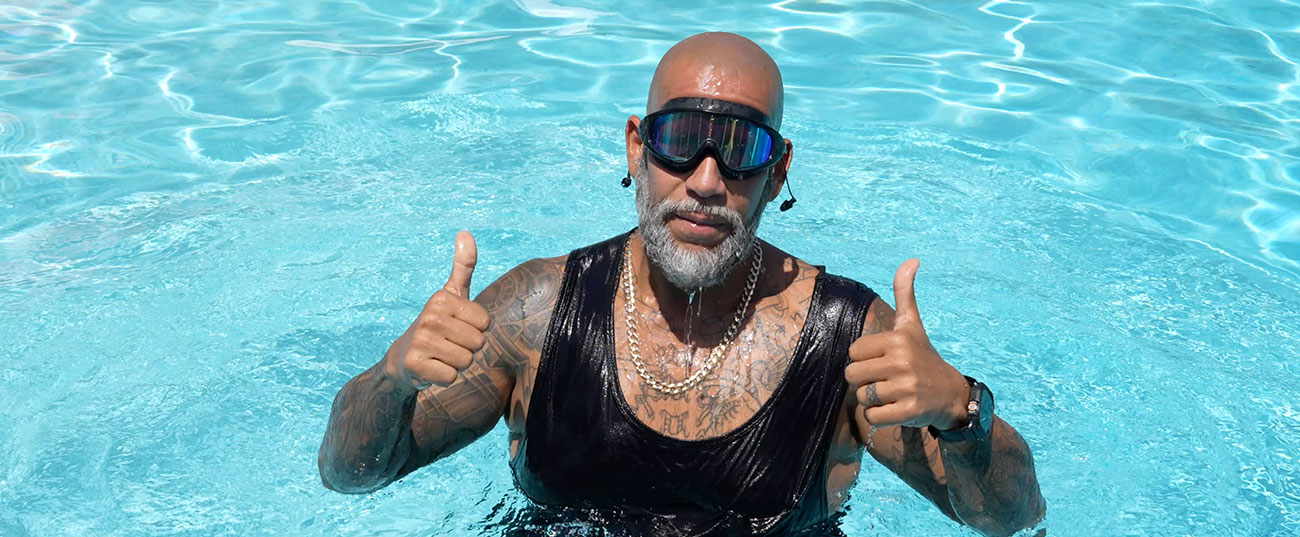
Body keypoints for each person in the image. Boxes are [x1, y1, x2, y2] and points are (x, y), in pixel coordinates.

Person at [317, 32, 1045, 536]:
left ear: (778, 171)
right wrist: (392, 377)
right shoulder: (535, 313)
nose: (704, 180)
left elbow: (1007, 519)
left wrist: (961, 409)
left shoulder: (850, 339)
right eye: (678, 140)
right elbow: (350, 476)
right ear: (637, 146)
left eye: (741, 149)